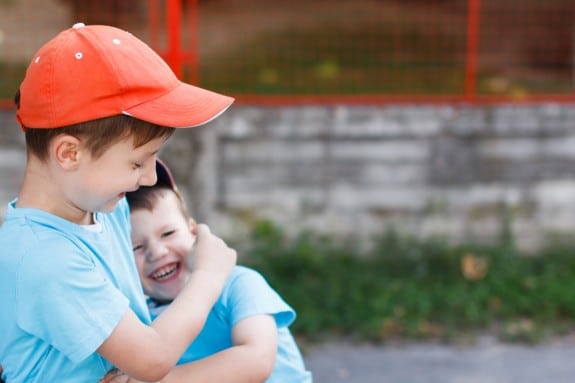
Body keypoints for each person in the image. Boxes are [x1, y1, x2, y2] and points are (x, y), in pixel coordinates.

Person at [0, 23, 237, 383]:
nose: (150, 178)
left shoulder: (103, 210)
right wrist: (209, 275)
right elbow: (153, 357)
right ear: (68, 153)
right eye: (137, 162)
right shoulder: (45, 257)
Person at [116, 159, 314, 382]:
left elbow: (256, 360)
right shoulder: (141, 320)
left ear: (194, 232)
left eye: (168, 233)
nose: (157, 252)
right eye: (136, 247)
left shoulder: (238, 284)